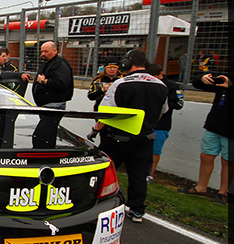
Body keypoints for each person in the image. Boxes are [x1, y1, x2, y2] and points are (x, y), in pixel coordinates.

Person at [89, 49, 168, 223]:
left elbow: (106, 113)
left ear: (126, 64)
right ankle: (137, 210)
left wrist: (95, 130)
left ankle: (95, 204)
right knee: (139, 175)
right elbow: (162, 112)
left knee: (103, 170)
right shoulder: (160, 85)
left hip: (118, 137)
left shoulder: (121, 84)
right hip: (146, 137)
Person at [178, 72, 231, 205]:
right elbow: (198, 84)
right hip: (214, 125)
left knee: (228, 161)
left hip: (230, 130)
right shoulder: (224, 77)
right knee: (206, 156)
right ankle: (201, 187)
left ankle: (223, 192)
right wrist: (202, 79)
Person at [146, 63, 184, 182]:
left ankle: (150, 174)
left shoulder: (172, 86)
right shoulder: (147, 84)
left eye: (154, 77)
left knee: (155, 150)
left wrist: (161, 105)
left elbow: (179, 104)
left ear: (161, 74)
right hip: (146, 123)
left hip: (161, 125)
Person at [31, 41, 74, 148]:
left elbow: (62, 83)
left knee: (42, 135)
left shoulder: (60, 64)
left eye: (46, 51)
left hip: (54, 106)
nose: (43, 54)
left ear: (55, 51)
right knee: (46, 135)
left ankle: (45, 157)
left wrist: (44, 82)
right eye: (42, 51)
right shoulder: (48, 63)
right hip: (46, 105)